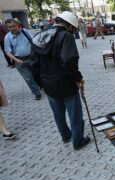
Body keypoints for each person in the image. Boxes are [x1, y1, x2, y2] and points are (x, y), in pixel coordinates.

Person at [30, 11, 90, 150]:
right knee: (74, 114)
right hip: (66, 83)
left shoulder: (39, 35)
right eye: (74, 28)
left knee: (58, 114)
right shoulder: (66, 36)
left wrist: (41, 83)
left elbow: (33, 64)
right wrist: (78, 78)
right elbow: (69, 61)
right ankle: (78, 141)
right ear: (68, 25)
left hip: (48, 84)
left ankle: (65, 135)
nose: (74, 31)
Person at [4, 19, 42, 100]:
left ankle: (42, 87)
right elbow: (7, 52)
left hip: (31, 57)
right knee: (28, 77)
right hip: (19, 60)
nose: (12, 28)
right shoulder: (7, 37)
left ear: (17, 24)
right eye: (10, 27)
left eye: (14, 26)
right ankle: (37, 93)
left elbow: (34, 41)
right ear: (7, 28)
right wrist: (16, 60)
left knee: (37, 73)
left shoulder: (25, 31)